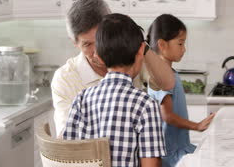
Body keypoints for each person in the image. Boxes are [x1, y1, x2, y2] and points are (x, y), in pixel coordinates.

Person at [51, 0, 174, 137]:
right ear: (74, 43)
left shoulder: (133, 56)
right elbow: (66, 139)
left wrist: (138, 42)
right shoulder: (65, 78)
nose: (97, 51)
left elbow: (168, 83)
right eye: (87, 44)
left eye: (100, 39)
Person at [63, 13, 165, 167]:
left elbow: (66, 156)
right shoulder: (146, 105)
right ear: (141, 51)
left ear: (98, 56)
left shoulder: (81, 99)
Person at [146, 14, 216, 167]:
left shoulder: (168, 73)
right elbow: (167, 115)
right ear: (162, 45)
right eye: (180, 43)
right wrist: (196, 126)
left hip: (179, 148)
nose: (184, 49)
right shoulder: (159, 77)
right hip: (171, 154)